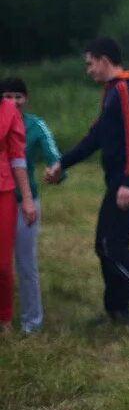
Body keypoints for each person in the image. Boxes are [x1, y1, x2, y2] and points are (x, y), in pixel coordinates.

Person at [44, 38, 129, 324]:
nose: (88, 70)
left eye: (90, 63)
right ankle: (117, 311)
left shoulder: (124, 90)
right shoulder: (111, 92)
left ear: (104, 60)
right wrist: (62, 163)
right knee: (109, 243)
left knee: (110, 244)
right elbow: (94, 138)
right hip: (123, 178)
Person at [1, 77, 59, 334]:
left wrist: (56, 169)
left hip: (22, 197)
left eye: (18, 96)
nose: (13, 101)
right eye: (8, 96)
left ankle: (31, 322)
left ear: (26, 99)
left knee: (24, 262)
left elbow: (50, 153)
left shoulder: (34, 125)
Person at [0, 97, 38, 333]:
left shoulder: (8, 108)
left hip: (3, 189)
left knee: (3, 266)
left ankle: (4, 319)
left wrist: (27, 199)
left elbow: (17, 156)